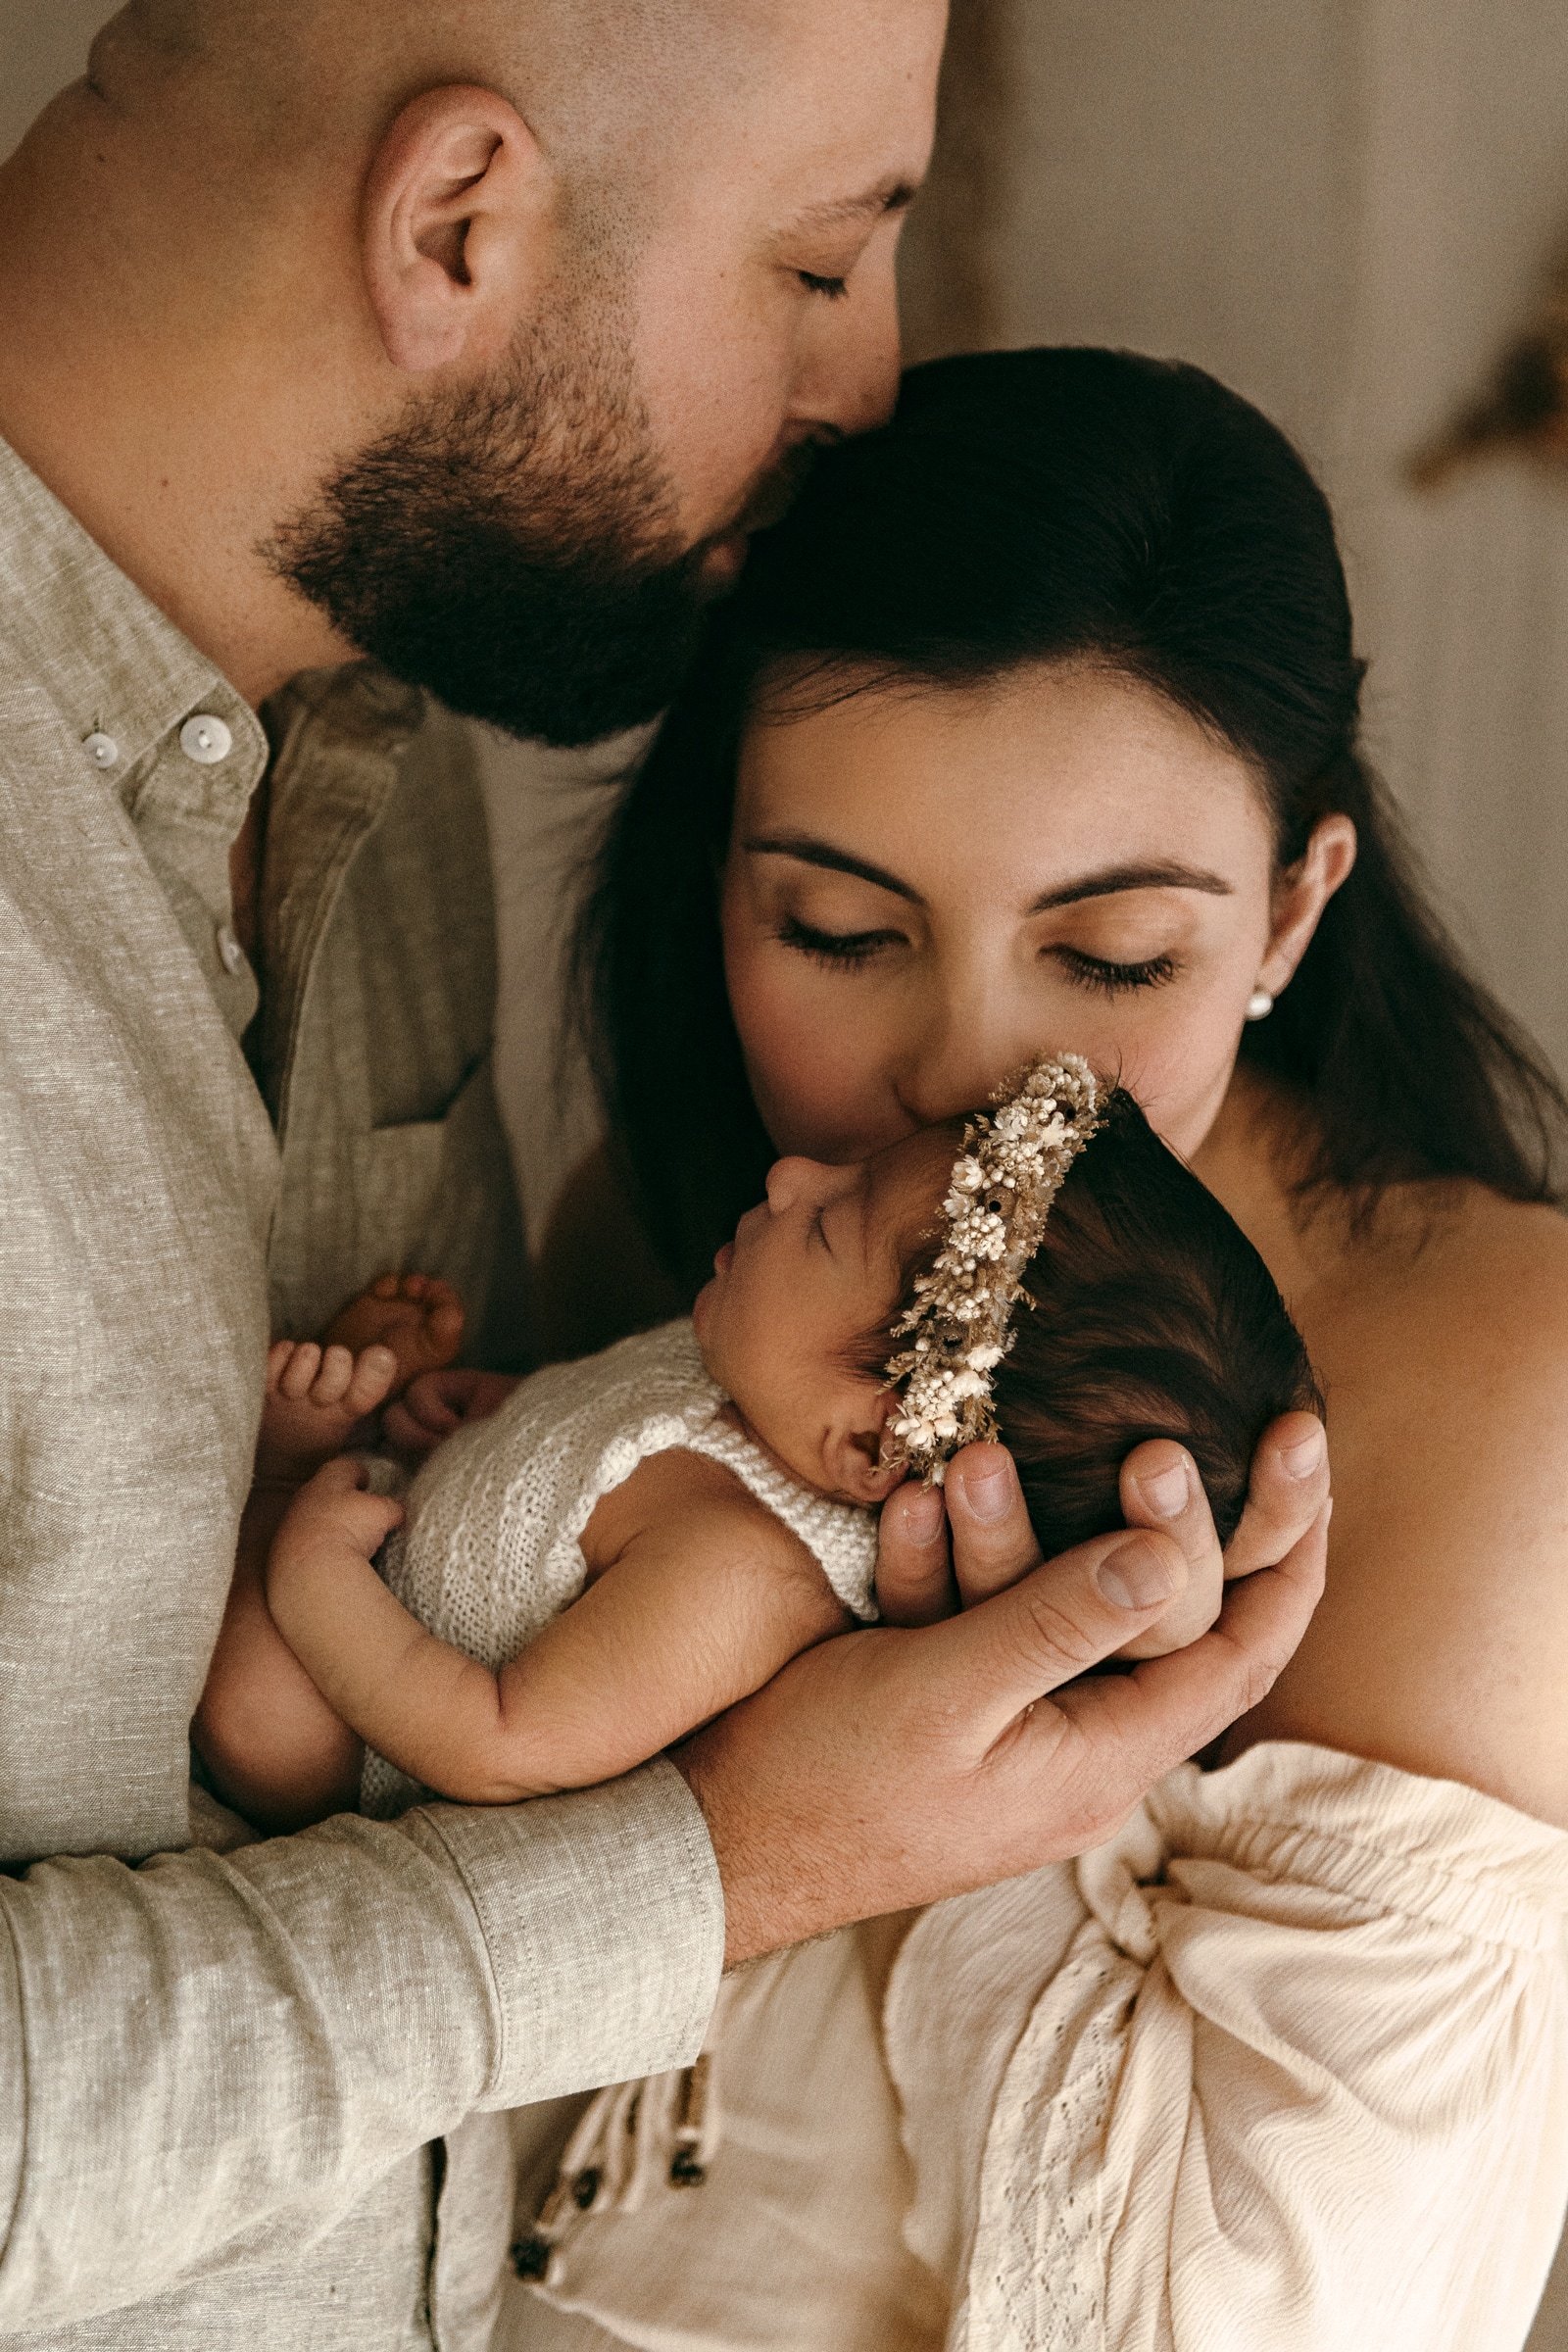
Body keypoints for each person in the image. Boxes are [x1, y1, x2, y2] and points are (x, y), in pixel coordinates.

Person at [0, 15, 1329, 2348]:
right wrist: (727, 1857)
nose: (870, 390)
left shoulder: (374, 761)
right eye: (820, 266)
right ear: (458, 224)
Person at [495, 347, 1568, 2348]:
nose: (968, 1080)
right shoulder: (676, 1252)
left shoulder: (1500, 1389)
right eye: (833, 930)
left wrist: (988, 1805)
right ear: (716, 878)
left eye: (1107, 959)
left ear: (1282, 914)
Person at [192, 1057, 1319, 1830]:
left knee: (258, 1718)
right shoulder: (758, 1376)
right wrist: (494, 1410)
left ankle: (282, 1476)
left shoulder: (736, 1574)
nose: (791, 1175)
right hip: (402, 1546)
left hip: (364, 1726)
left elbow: (501, 1744)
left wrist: (317, 1572)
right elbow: (605, 1439)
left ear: (871, 1444)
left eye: (831, 1219)